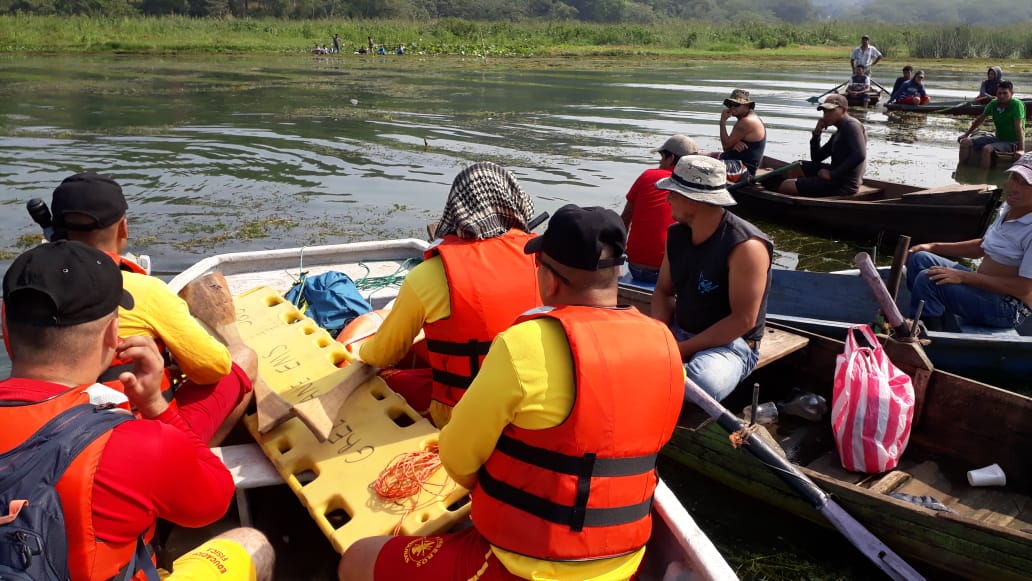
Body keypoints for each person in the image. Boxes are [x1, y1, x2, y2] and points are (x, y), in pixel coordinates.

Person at [338, 204, 684, 581]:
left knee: (357, 559)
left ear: (551, 280)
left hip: (519, 566)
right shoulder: (665, 346)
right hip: (626, 563)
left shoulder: (524, 345)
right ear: (616, 274)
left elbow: (456, 455)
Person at [0, 240, 268, 581]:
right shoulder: (136, 442)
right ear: (113, 334)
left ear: (4, 327)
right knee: (251, 544)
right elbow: (214, 501)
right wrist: (158, 407)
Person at [46, 172, 251, 444]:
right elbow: (213, 367)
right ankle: (197, 458)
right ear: (123, 228)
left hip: (58, 432)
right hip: (139, 438)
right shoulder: (145, 290)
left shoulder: (27, 289)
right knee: (243, 356)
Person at [357, 162, 541, 428]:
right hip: (531, 406)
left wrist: (360, 352)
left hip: (462, 414)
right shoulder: (544, 260)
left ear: (455, 209)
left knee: (384, 376)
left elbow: (381, 356)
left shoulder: (428, 276)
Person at [651, 156, 773, 402]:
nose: (667, 198)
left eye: (673, 193)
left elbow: (743, 320)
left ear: (693, 200)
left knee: (704, 383)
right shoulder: (676, 235)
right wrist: (660, 338)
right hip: (678, 331)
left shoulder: (746, 247)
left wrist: (680, 350)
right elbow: (663, 291)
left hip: (730, 345)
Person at [905, 153, 1032, 331]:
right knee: (919, 258)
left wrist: (963, 277)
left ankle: (930, 336)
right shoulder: (1009, 208)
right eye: (1014, 178)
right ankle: (937, 319)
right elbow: (983, 246)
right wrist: (933, 247)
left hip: (1008, 307)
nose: (1014, 187)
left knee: (929, 279)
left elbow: (1024, 288)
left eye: (1026, 184)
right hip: (982, 289)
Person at [621, 134, 698, 283]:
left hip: (635, 266)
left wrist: (620, 248)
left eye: (662, 157)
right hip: (667, 271)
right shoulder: (693, 186)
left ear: (671, 158)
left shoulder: (647, 175)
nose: (660, 161)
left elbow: (625, 217)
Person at [779, 94, 867, 198]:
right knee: (796, 166)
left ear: (843, 110)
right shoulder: (839, 132)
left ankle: (802, 195)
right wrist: (816, 134)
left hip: (844, 184)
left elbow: (859, 155)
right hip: (837, 176)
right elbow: (817, 158)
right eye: (824, 111)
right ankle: (806, 192)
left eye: (830, 111)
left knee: (786, 186)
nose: (826, 115)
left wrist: (832, 174)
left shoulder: (851, 125)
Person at [958, 80, 1026, 168]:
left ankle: (983, 176)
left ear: (1012, 93)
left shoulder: (1016, 105)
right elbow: (980, 119)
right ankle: (960, 171)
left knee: (987, 149)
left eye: (1005, 93)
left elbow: (1018, 127)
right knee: (965, 142)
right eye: (999, 93)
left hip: (1012, 142)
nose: (1001, 96)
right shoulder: (994, 103)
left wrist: (1021, 149)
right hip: (998, 139)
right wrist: (966, 134)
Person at [705, 88, 767, 178]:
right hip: (731, 158)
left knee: (700, 166)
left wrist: (722, 122)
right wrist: (733, 144)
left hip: (741, 168)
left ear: (747, 105)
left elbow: (726, 147)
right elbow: (729, 146)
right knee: (697, 156)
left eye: (736, 104)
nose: (732, 107)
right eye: (730, 104)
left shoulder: (746, 122)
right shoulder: (747, 118)